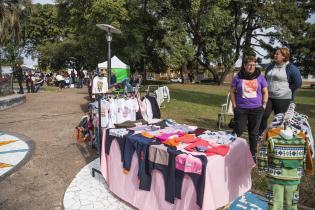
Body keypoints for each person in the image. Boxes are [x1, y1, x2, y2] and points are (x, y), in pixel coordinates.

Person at [230, 56, 268, 160]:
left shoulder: (260, 77)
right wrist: (234, 105)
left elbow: (265, 92)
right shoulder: (238, 77)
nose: (251, 67)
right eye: (249, 65)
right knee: (238, 130)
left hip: (256, 109)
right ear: (244, 65)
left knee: (254, 133)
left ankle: (253, 155)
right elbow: (232, 91)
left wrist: (264, 105)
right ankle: (231, 151)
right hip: (241, 109)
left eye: (254, 65)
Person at [259, 48, 302, 135]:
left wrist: (288, 90)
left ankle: (277, 136)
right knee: (263, 115)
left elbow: (298, 83)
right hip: (268, 96)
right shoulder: (271, 66)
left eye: (277, 54)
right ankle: (261, 134)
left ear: (284, 56)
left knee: (279, 119)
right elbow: (265, 78)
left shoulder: (291, 68)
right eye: (275, 54)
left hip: (283, 98)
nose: (275, 55)